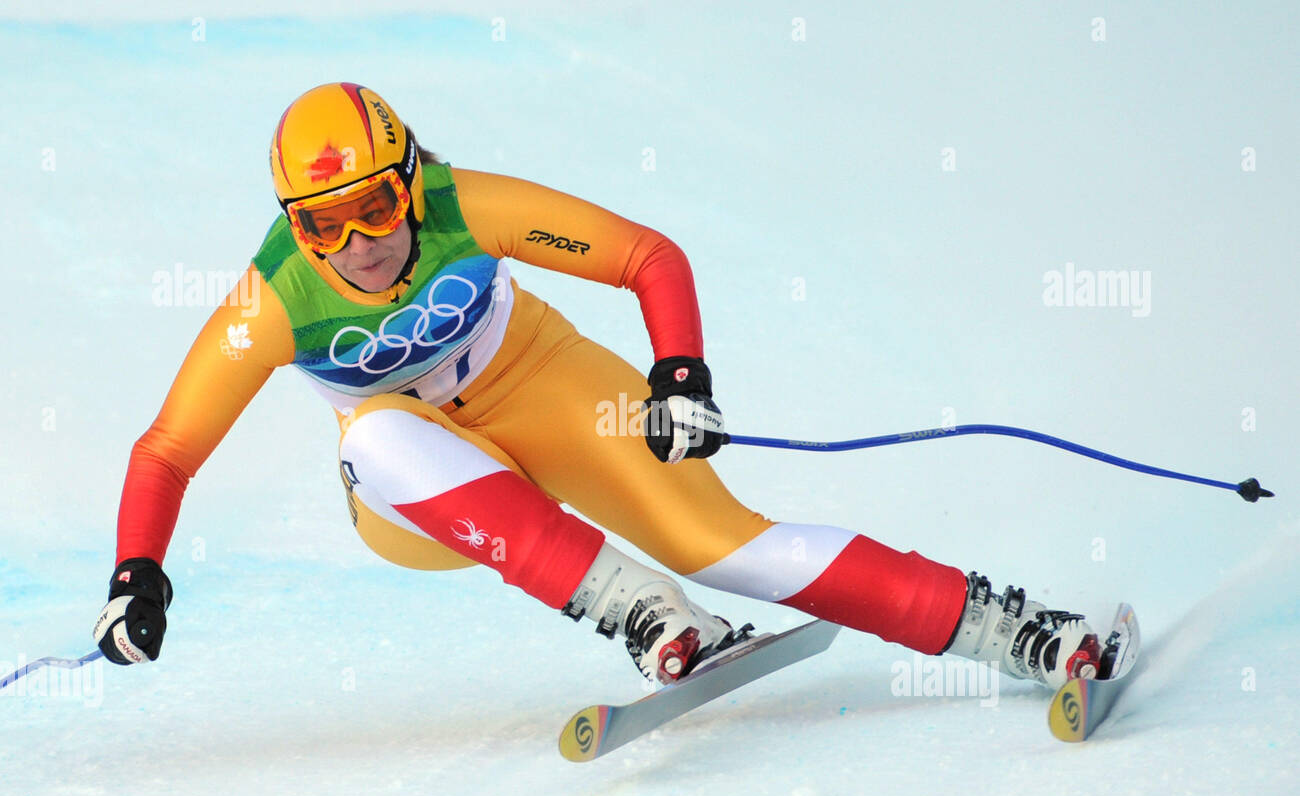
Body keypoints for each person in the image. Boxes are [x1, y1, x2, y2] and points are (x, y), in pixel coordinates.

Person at [94, 82, 1106, 690]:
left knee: (723, 544)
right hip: (423, 484)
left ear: (408, 179)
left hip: (541, 381)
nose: (354, 244)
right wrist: (136, 575)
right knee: (371, 438)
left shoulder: (465, 206)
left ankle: (1006, 628)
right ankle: (635, 610)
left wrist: (678, 374)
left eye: (369, 206)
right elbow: (167, 450)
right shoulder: (273, 298)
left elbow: (646, 255)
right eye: (322, 223)